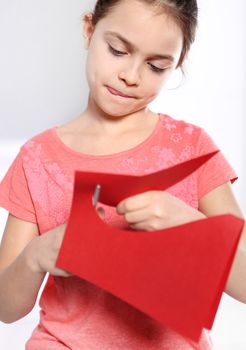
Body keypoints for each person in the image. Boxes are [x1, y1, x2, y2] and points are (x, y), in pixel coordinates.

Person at [0, 0, 245, 349]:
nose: (131, 76)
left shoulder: (192, 149)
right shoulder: (37, 158)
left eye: (156, 66)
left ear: (176, 65)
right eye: (117, 50)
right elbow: (6, 307)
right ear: (89, 30)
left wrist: (191, 227)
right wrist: (37, 255)